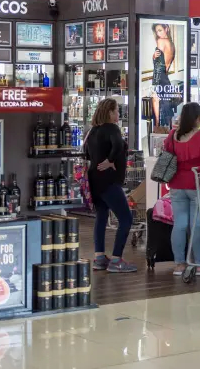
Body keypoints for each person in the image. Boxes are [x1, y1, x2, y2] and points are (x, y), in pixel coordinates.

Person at [168, 102, 200, 276]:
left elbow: (166, 156)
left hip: (176, 184)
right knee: (197, 225)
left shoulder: (173, 135)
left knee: (180, 224)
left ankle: (179, 264)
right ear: (198, 118)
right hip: (199, 184)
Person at [84, 98, 135, 273]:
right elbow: (119, 145)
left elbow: (86, 154)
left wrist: (102, 159)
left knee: (101, 216)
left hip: (94, 180)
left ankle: (99, 258)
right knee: (126, 219)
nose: (118, 114)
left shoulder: (92, 131)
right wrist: (110, 160)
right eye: (116, 111)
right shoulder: (112, 128)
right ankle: (116, 259)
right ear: (110, 112)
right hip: (109, 181)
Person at [151, 23, 176, 128]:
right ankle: (164, 129)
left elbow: (158, 65)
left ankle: (157, 127)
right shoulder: (171, 44)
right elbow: (165, 64)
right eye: (157, 31)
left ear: (167, 29)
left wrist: (155, 83)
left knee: (156, 100)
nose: (158, 33)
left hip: (159, 76)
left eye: (160, 30)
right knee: (165, 105)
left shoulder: (161, 41)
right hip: (165, 77)